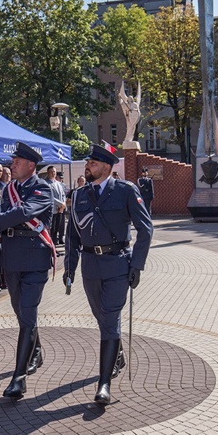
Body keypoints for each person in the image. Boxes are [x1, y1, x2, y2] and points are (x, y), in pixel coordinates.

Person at [64, 144, 152, 406]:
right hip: (90, 266)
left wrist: (137, 265)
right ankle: (117, 353)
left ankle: (104, 383)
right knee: (102, 318)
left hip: (117, 264)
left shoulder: (125, 191)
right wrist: (69, 268)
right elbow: (71, 237)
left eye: (92, 162)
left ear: (106, 166)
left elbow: (145, 229)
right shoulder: (79, 195)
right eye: (88, 162)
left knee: (110, 318)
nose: (87, 166)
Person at [0, 142, 53, 399]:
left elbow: (23, 213)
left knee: (27, 314)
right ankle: (36, 352)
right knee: (22, 314)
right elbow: (2, 226)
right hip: (13, 259)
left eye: (17, 162)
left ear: (31, 165)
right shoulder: (9, 189)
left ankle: (18, 379)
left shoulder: (41, 187)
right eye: (12, 161)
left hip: (34, 259)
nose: (12, 165)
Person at [45, 166, 67, 246]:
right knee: (52, 229)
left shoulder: (58, 183)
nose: (53, 173)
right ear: (48, 173)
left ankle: (54, 246)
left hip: (60, 210)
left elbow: (63, 195)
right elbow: (50, 197)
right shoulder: (46, 183)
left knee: (57, 228)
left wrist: (63, 204)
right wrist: (61, 204)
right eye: (51, 172)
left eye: (54, 172)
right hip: (52, 210)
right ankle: (50, 246)